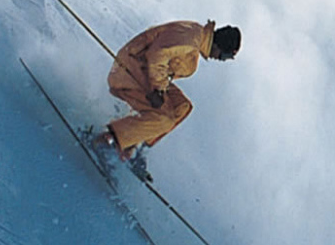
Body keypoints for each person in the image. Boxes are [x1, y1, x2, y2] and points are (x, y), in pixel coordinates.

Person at [94, 20, 241, 161]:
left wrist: (159, 89)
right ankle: (107, 140)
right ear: (220, 45)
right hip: (128, 68)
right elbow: (157, 54)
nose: (222, 60)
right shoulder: (191, 39)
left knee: (181, 106)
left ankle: (133, 144)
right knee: (165, 119)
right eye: (225, 56)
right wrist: (158, 89)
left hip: (143, 72)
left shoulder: (196, 40)